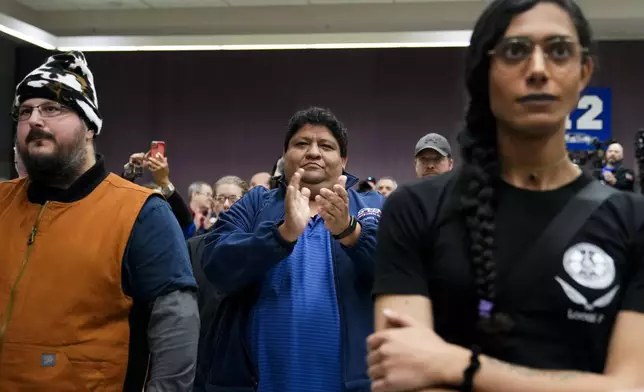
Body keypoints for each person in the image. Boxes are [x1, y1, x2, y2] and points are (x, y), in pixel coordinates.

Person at [369, 1, 644, 392]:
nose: (537, 69)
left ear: (583, 72)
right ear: (484, 73)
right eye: (515, 51)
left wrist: (457, 365)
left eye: (559, 50)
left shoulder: (632, 220)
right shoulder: (416, 209)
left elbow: (630, 387)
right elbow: (401, 375)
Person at [0, 51, 199, 391]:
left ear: (90, 126)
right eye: (25, 111)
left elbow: (176, 326)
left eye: (52, 109)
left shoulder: (140, 211)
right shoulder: (3, 202)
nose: (34, 120)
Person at [198, 107, 384, 392]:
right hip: (254, 383)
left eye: (326, 146)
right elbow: (215, 265)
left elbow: (398, 274)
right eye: (301, 143)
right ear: (285, 155)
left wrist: (349, 231)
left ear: (343, 159)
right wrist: (282, 234)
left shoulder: (371, 207)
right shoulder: (255, 204)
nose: (313, 152)